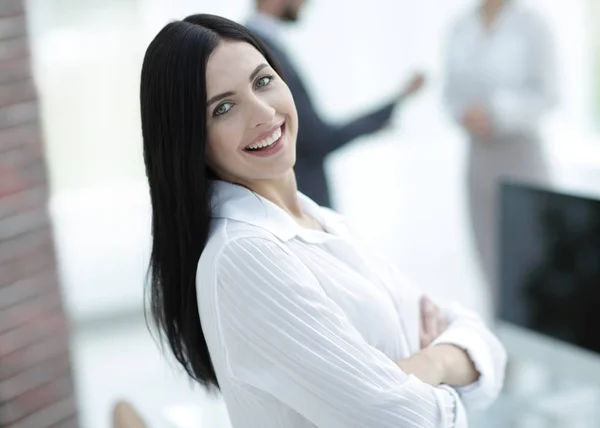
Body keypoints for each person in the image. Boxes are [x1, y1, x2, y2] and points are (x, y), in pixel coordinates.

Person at [141, 14, 506, 428]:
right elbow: (406, 420)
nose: (262, 113)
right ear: (190, 139)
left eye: (263, 81)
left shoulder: (319, 219)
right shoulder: (244, 258)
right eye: (223, 108)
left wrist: (425, 365)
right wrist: (440, 362)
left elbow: (486, 345)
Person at [245, 0, 426, 207]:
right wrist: (392, 105)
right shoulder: (259, 51)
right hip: (300, 202)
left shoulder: (264, 46)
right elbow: (316, 139)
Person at [444, 0, 558, 298]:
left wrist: (496, 113)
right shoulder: (459, 26)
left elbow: (549, 94)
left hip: (521, 153)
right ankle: (498, 338)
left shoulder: (533, 24)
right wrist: (464, 114)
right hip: (479, 154)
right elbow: (450, 93)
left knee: (534, 257)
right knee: (489, 260)